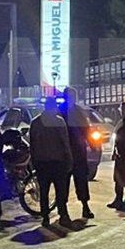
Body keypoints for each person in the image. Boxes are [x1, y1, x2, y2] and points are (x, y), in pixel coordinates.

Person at [29, 97, 73, 228]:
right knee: (61, 190)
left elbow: (32, 144)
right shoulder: (59, 122)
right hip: (58, 162)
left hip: (42, 163)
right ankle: (63, 215)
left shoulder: (35, 122)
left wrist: (34, 161)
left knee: (44, 191)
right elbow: (65, 143)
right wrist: (69, 160)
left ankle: (45, 217)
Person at [60, 87, 94, 219]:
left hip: (77, 151)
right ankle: (64, 211)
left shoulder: (77, 111)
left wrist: (91, 143)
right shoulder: (60, 111)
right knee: (64, 182)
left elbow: (86, 129)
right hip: (66, 152)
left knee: (81, 180)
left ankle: (85, 206)